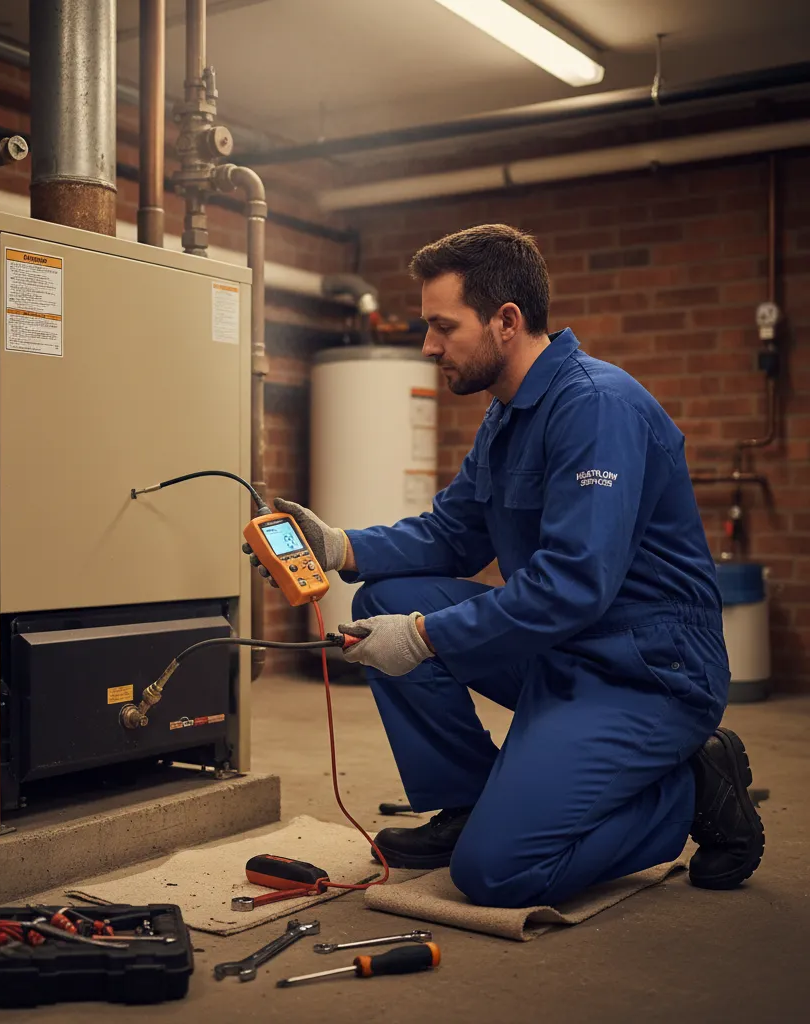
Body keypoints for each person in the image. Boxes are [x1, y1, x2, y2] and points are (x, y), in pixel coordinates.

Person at [245, 224, 765, 909]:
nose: (428, 345)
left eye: (441, 326)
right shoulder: (507, 416)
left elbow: (572, 586)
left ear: (506, 321)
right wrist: (338, 546)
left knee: (497, 873)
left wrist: (427, 637)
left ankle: (692, 788)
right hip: (562, 653)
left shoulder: (597, 407)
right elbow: (452, 533)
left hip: (645, 673)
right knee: (383, 598)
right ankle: (465, 802)